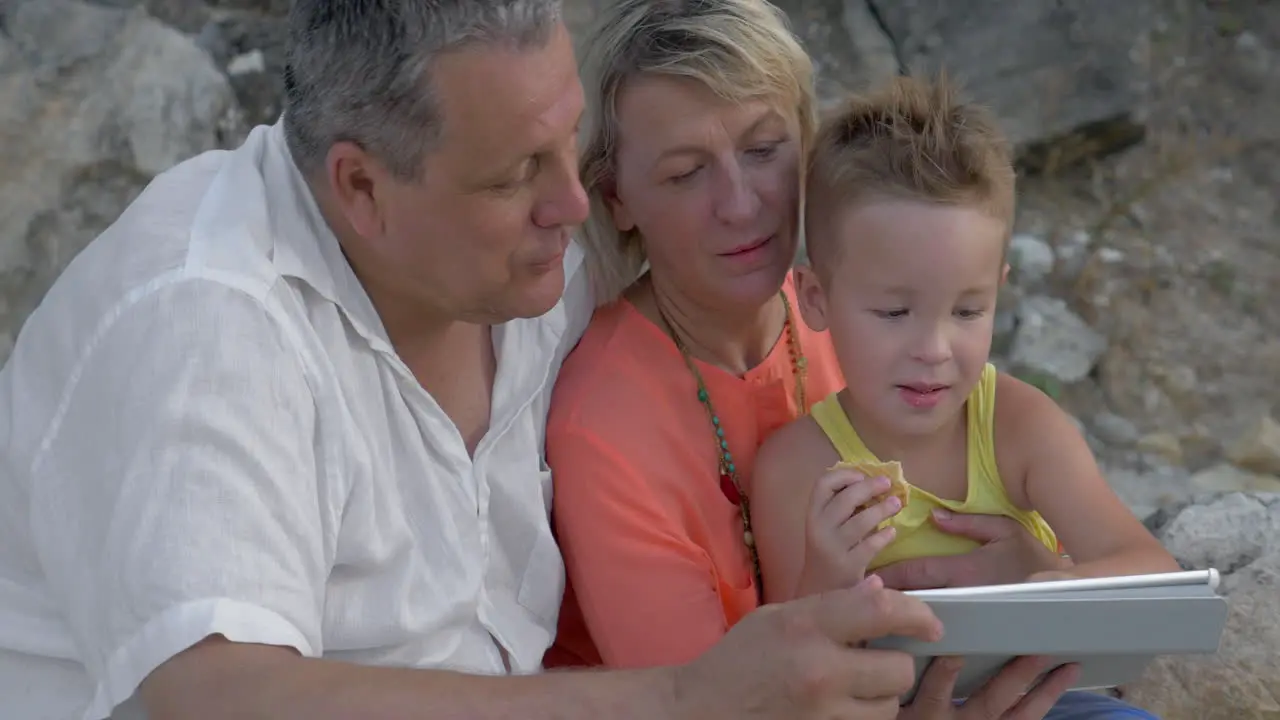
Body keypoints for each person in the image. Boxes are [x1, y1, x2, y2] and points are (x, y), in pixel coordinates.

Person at [0, 2, 958, 719]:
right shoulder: (207, 322)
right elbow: (211, 694)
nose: (574, 207)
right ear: (363, 187)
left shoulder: (531, 264)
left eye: (566, 145)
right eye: (514, 177)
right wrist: (683, 698)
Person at [543, 2, 1167, 718]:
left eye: (762, 149)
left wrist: (1042, 576)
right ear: (616, 197)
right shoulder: (606, 427)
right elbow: (706, 701)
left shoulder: (862, 308)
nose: (741, 205)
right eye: (686, 174)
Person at [750, 74, 1182, 605]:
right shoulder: (797, 474)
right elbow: (788, 663)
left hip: (1048, 690)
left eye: (968, 310)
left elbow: (1153, 572)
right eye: (893, 311)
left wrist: (1047, 581)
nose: (933, 349)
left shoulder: (1017, 427)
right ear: (816, 299)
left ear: (999, 291)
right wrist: (826, 580)